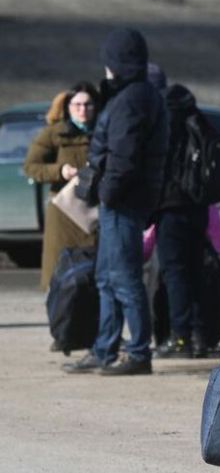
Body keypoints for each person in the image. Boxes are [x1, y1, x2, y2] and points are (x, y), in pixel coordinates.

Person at [63, 28, 168, 376]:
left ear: (117, 63)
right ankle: (104, 349)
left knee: (123, 278)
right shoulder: (134, 95)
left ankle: (138, 352)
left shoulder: (132, 99)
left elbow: (124, 157)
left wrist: (106, 193)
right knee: (107, 277)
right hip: (123, 200)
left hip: (123, 202)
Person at [153, 79, 213, 359]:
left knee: (175, 274)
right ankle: (200, 335)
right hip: (198, 207)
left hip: (170, 208)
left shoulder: (166, 124)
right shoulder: (199, 122)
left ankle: (180, 338)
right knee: (195, 271)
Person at [23, 82, 101, 291]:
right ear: (68, 107)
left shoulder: (104, 133)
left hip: (95, 212)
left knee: (95, 279)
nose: (82, 110)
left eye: (88, 105)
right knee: (62, 278)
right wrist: (60, 171)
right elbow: (31, 167)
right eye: (77, 105)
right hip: (64, 213)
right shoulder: (53, 134)